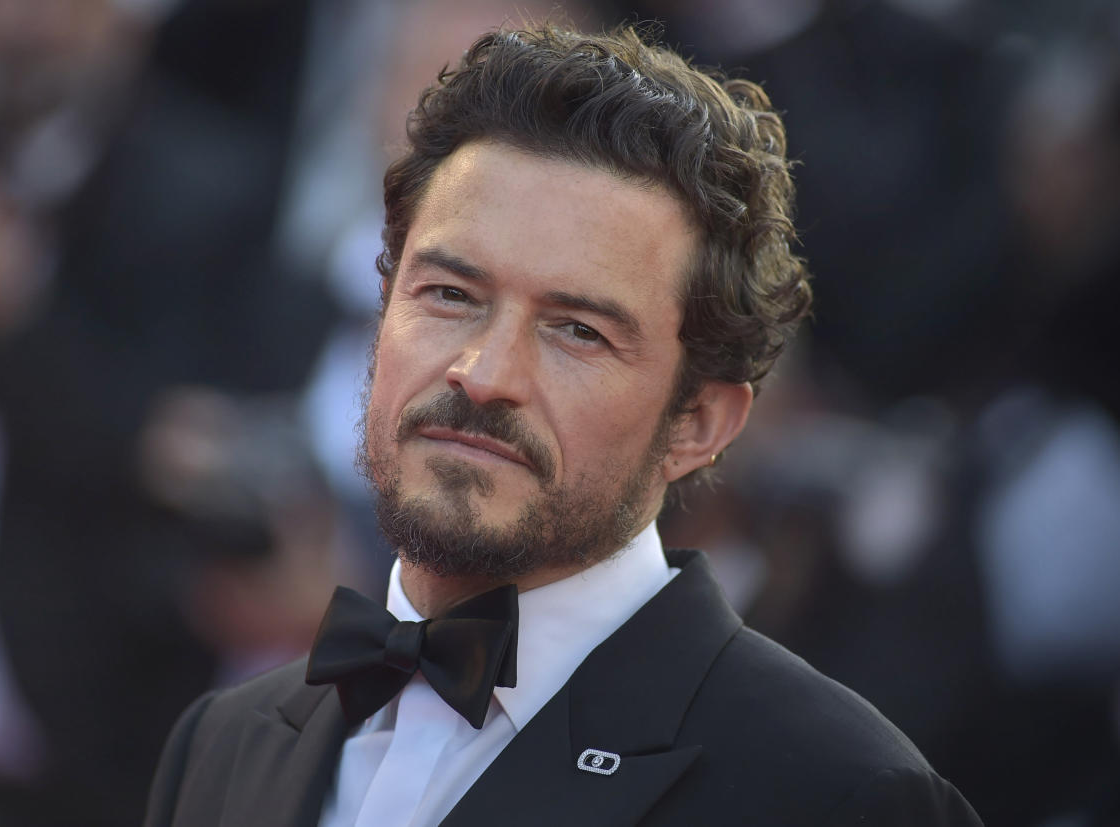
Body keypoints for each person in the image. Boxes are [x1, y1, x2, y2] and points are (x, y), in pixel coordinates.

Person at [144, 24, 982, 826]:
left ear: (699, 421)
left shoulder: (838, 796)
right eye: (450, 295)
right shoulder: (220, 745)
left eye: (577, 330)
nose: (484, 373)